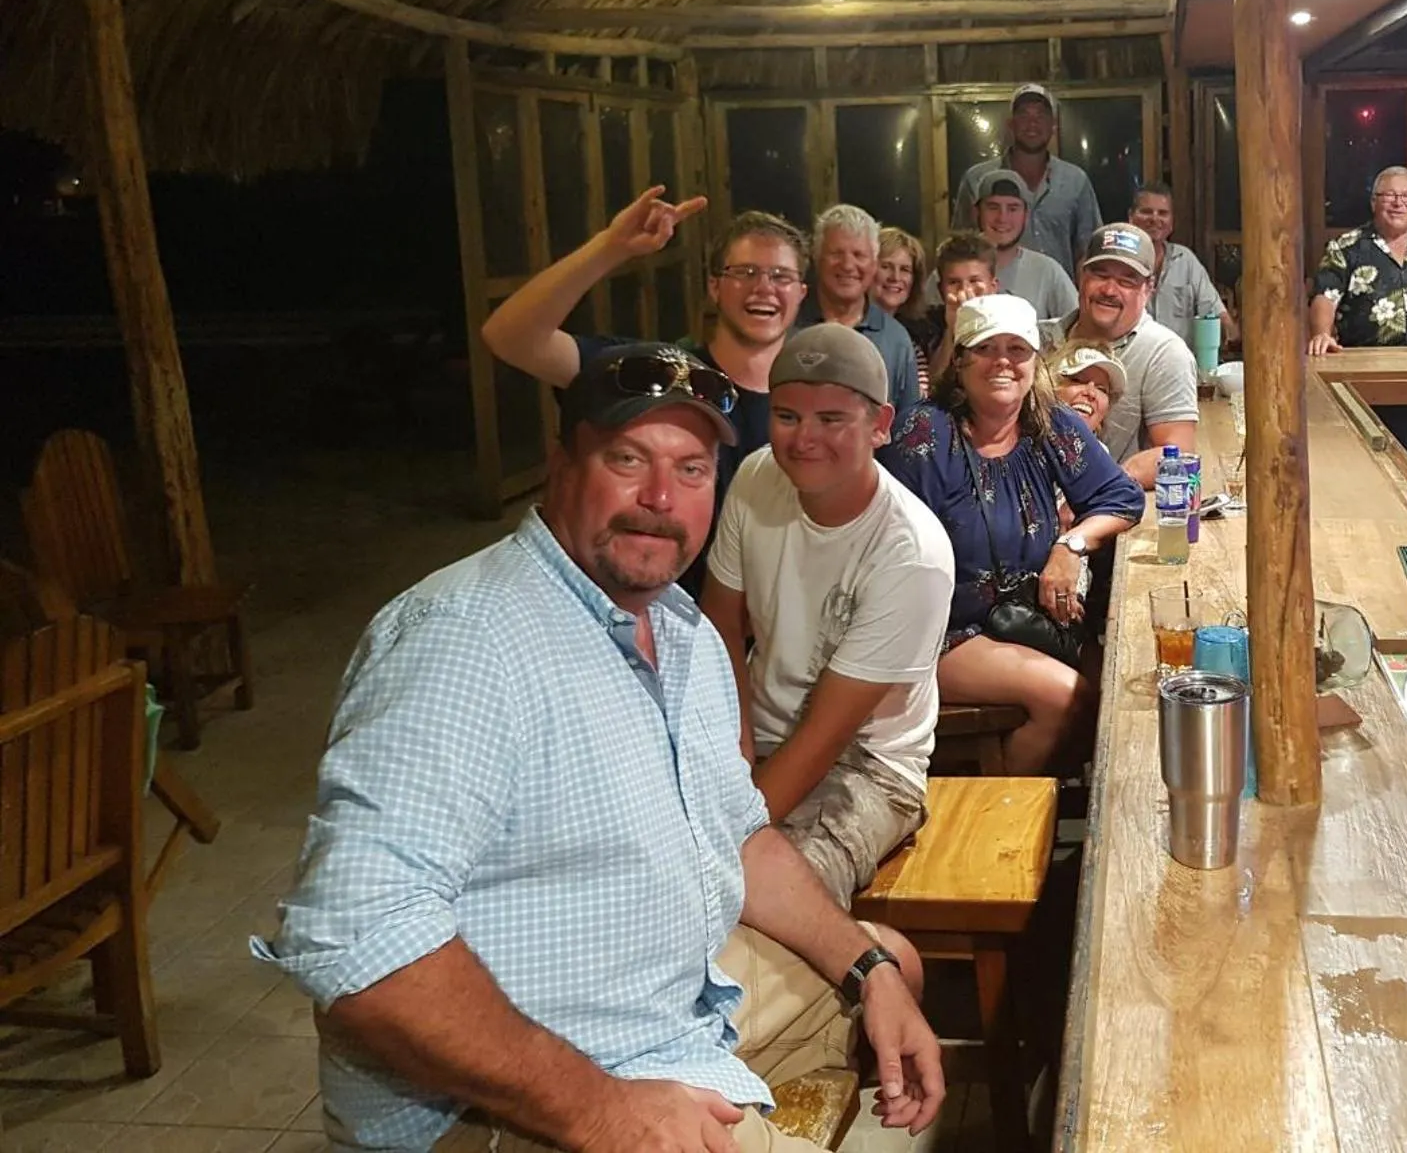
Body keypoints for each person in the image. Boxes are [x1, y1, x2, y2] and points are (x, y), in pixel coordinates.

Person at [256, 341, 942, 1153]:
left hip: (655, 1014)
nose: (660, 497)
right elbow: (357, 937)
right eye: (628, 459)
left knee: (892, 961)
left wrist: (869, 970)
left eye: (691, 470)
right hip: (504, 1102)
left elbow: (740, 836)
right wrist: (603, 1110)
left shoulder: (680, 631)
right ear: (561, 464)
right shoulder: (465, 638)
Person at [701, 324, 955, 906]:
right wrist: (737, 750)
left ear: (880, 424)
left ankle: (863, 958)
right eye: (787, 416)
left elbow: (825, 736)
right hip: (755, 733)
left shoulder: (911, 552)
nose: (804, 438)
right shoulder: (756, 476)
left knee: (766, 892)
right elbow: (720, 627)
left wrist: (730, 832)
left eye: (832, 419)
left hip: (866, 766)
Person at [482, 196, 807, 593]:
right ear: (715, 287)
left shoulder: (815, 403)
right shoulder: (657, 374)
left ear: (801, 293)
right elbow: (510, 337)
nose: (763, 288)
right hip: (655, 608)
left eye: (781, 276)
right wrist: (609, 247)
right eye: (745, 272)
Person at [883, 296, 1142, 775]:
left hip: (1025, 621)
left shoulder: (1048, 423)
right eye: (986, 348)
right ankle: (999, 812)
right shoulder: (924, 434)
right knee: (1070, 697)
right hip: (941, 630)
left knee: (1125, 691)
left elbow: (1122, 499)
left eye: (1017, 349)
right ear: (959, 361)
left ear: (1035, 362)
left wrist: (1070, 545)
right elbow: (887, 556)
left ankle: (1053, 802)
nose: (1003, 361)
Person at [1041, 223, 1199, 486]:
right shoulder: (1036, 340)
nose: (1109, 290)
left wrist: (1103, 488)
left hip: (1114, 506)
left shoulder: (1165, 353)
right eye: (1100, 275)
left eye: (1126, 281)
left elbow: (1180, 457)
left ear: (1149, 288)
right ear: (1081, 276)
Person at [1307, 167, 1407, 351]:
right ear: (1373, 202)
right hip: (1362, 358)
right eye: (1389, 195)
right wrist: (1322, 334)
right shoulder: (1345, 247)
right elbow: (1324, 297)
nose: (1398, 203)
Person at [950, 83, 1102, 271]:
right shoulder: (977, 179)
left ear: (1053, 125)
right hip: (995, 288)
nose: (1032, 123)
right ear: (1011, 124)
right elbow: (960, 248)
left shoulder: (1076, 181)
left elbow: (1088, 251)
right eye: (1024, 115)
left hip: (1058, 290)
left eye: (1041, 115)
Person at [798, 204, 920, 429]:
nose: (847, 265)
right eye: (836, 253)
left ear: (873, 263)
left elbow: (909, 430)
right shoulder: (788, 325)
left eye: (859, 255)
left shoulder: (896, 339)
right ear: (817, 258)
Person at [1129, 182, 1237, 344]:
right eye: (1146, 212)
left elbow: (1217, 315)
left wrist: (1229, 332)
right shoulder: (1120, 262)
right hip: (1133, 357)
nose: (1155, 219)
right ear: (1131, 217)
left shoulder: (1185, 261)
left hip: (1181, 358)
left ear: (1171, 222)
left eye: (1163, 213)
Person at [971, 168, 1078, 320]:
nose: (1002, 218)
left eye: (1013, 208)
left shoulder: (1047, 272)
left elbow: (1080, 325)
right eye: (993, 207)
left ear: (1026, 215)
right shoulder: (953, 269)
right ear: (976, 212)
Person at [922, 231, 999, 387]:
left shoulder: (1012, 322)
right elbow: (933, 385)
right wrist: (953, 329)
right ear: (940, 289)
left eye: (974, 281)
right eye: (954, 282)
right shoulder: (926, 325)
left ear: (993, 286)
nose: (964, 290)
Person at [875, 226, 932, 396]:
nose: (895, 277)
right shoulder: (854, 333)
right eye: (886, 266)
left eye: (905, 270)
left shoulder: (909, 341)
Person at [1049, 339, 1126, 447]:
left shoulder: (1101, 456)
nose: (1091, 393)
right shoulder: (1026, 444)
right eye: (1078, 380)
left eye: (1101, 389)